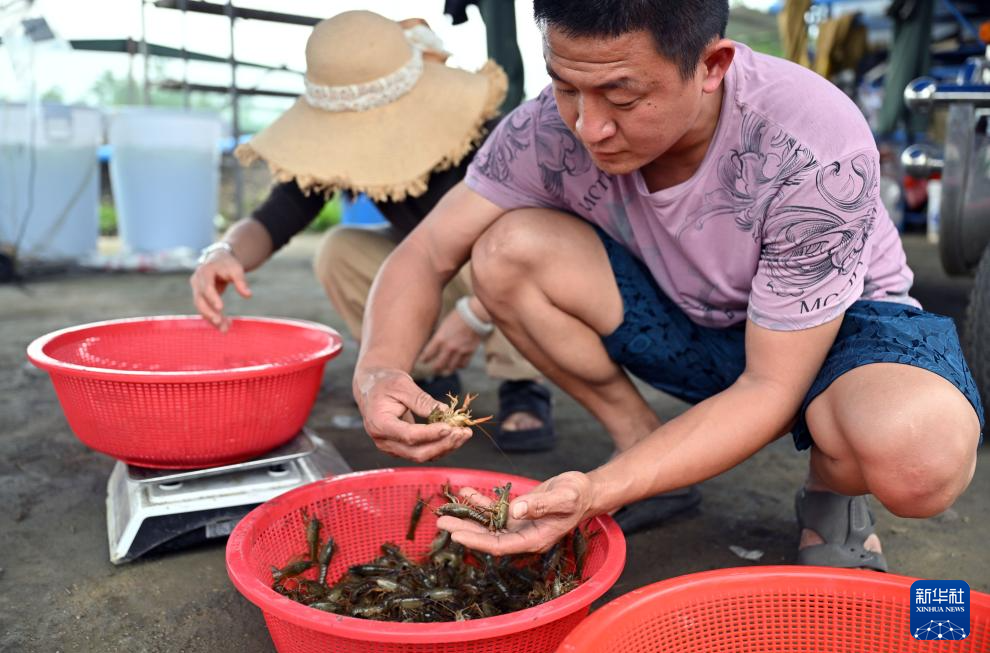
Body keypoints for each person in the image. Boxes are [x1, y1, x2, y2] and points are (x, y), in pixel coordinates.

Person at [355, 0, 984, 568]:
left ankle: (830, 488)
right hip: (687, 314)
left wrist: (599, 489)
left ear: (712, 65)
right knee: (504, 250)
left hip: (830, 338)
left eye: (622, 99)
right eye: (566, 86)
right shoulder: (543, 129)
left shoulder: (809, 144)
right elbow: (427, 252)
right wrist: (380, 368)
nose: (587, 126)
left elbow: (770, 385)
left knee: (917, 457)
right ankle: (645, 448)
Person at [189, 11, 555, 451]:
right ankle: (420, 375)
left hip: (502, 268)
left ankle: (522, 384)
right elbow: (276, 215)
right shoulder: (339, 149)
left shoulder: (482, 132)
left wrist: (476, 314)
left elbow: (543, 241)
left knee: (504, 246)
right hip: (425, 273)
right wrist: (222, 252)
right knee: (339, 248)